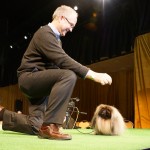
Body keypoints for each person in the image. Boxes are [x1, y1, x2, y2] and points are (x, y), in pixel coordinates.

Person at [0, 5, 112, 140]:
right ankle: (50, 126)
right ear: (62, 18)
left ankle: (2, 113)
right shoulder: (44, 33)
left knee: (36, 126)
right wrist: (92, 74)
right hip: (29, 79)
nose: (71, 29)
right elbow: (63, 60)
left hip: (41, 84)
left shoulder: (56, 39)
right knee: (68, 75)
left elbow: (56, 67)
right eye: (71, 25)